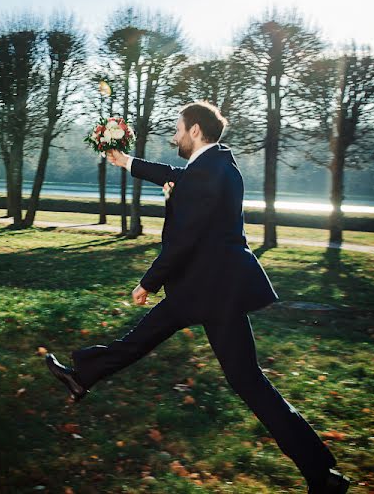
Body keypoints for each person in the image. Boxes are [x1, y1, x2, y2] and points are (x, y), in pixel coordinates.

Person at [45, 101, 350, 493]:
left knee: (147, 340)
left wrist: (149, 282)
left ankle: (82, 375)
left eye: (177, 128)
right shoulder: (214, 166)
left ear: (194, 131)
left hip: (207, 288)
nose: (174, 135)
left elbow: (185, 237)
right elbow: (175, 177)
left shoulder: (208, 172)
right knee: (244, 379)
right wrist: (126, 162)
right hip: (214, 288)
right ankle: (321, 474)